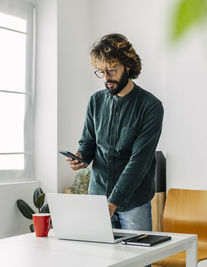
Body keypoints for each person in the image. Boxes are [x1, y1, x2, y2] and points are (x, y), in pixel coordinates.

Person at [68, 33, 164, 233]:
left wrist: (113, 203)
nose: (106, 78)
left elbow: (139, 162)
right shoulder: (95, 101)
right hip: (98, 199)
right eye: (101, 72)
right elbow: (88, 142)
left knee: (138, 261)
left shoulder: (150, 106)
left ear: (128, 66)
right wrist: (81, 157)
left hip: (134, 203)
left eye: (111, 70)